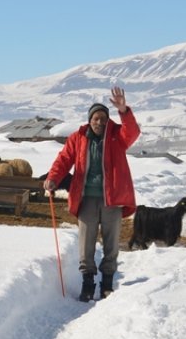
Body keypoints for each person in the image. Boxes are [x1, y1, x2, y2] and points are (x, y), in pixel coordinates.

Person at [43, 86, 140, 302]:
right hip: (86, 198)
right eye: (96, 118)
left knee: (111, 243)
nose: (99, 122)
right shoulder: (78, 138)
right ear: (90, 120)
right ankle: (88, 284)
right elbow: (64, 160)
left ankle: (106, 284)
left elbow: (132, 132)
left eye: (103, 119)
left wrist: (124, 111)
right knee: (85, 242)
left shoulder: (117, 137)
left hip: (112, 199)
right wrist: (52, 178)